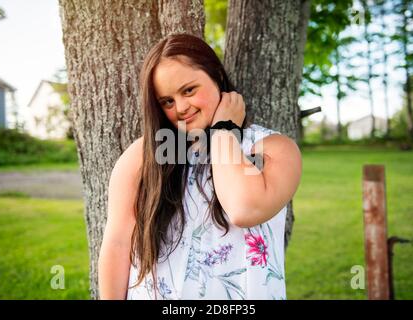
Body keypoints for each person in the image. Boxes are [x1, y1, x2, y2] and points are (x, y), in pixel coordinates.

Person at [98, 33, 302, 300]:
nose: (181, 107)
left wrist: (225, 131)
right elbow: (117, 243)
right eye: (167, 101)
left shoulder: (273, 149)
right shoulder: (144, 156)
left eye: (188, 90)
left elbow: (244, 208)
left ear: (216, 76)